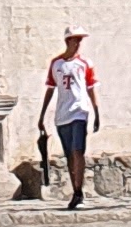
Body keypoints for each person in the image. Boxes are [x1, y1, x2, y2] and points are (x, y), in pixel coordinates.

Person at [42, 30, 99, 207]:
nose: (78, 44)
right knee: (69, 155)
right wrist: (42, 115)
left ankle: (79, 191)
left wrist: (96, 111)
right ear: (68, 41)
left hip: (79, 112)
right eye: (75, 40)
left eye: (80, 41)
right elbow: (50, 88)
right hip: (62, 114)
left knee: (77, 150)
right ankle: (75, 190)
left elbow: (90, 88)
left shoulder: (85, 64)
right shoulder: (56, 64)